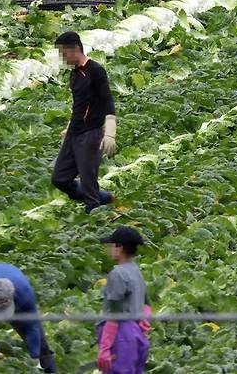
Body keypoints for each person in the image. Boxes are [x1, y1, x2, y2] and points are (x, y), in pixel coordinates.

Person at [51, 31, 117, 214]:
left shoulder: (95, 71)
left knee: (88, 184)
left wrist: (110, 133)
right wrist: (68, 128)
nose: (62, 58)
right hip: (74, 133)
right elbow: (79, 105)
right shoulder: (74, 75)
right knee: (59, 178)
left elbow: (108, 102)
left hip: (90, 134)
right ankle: (103, 197)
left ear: (75, 49)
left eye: (63, 54)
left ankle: (94, 215)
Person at [97, 226, 151, 373]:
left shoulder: (118, 273)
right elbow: (147, 305)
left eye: (111, 245)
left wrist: (105, 348)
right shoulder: (136, 271)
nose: (108, 248)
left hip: (121, 338)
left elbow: (114, 315)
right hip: (137, 336)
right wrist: (143, 324)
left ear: (119, 247)